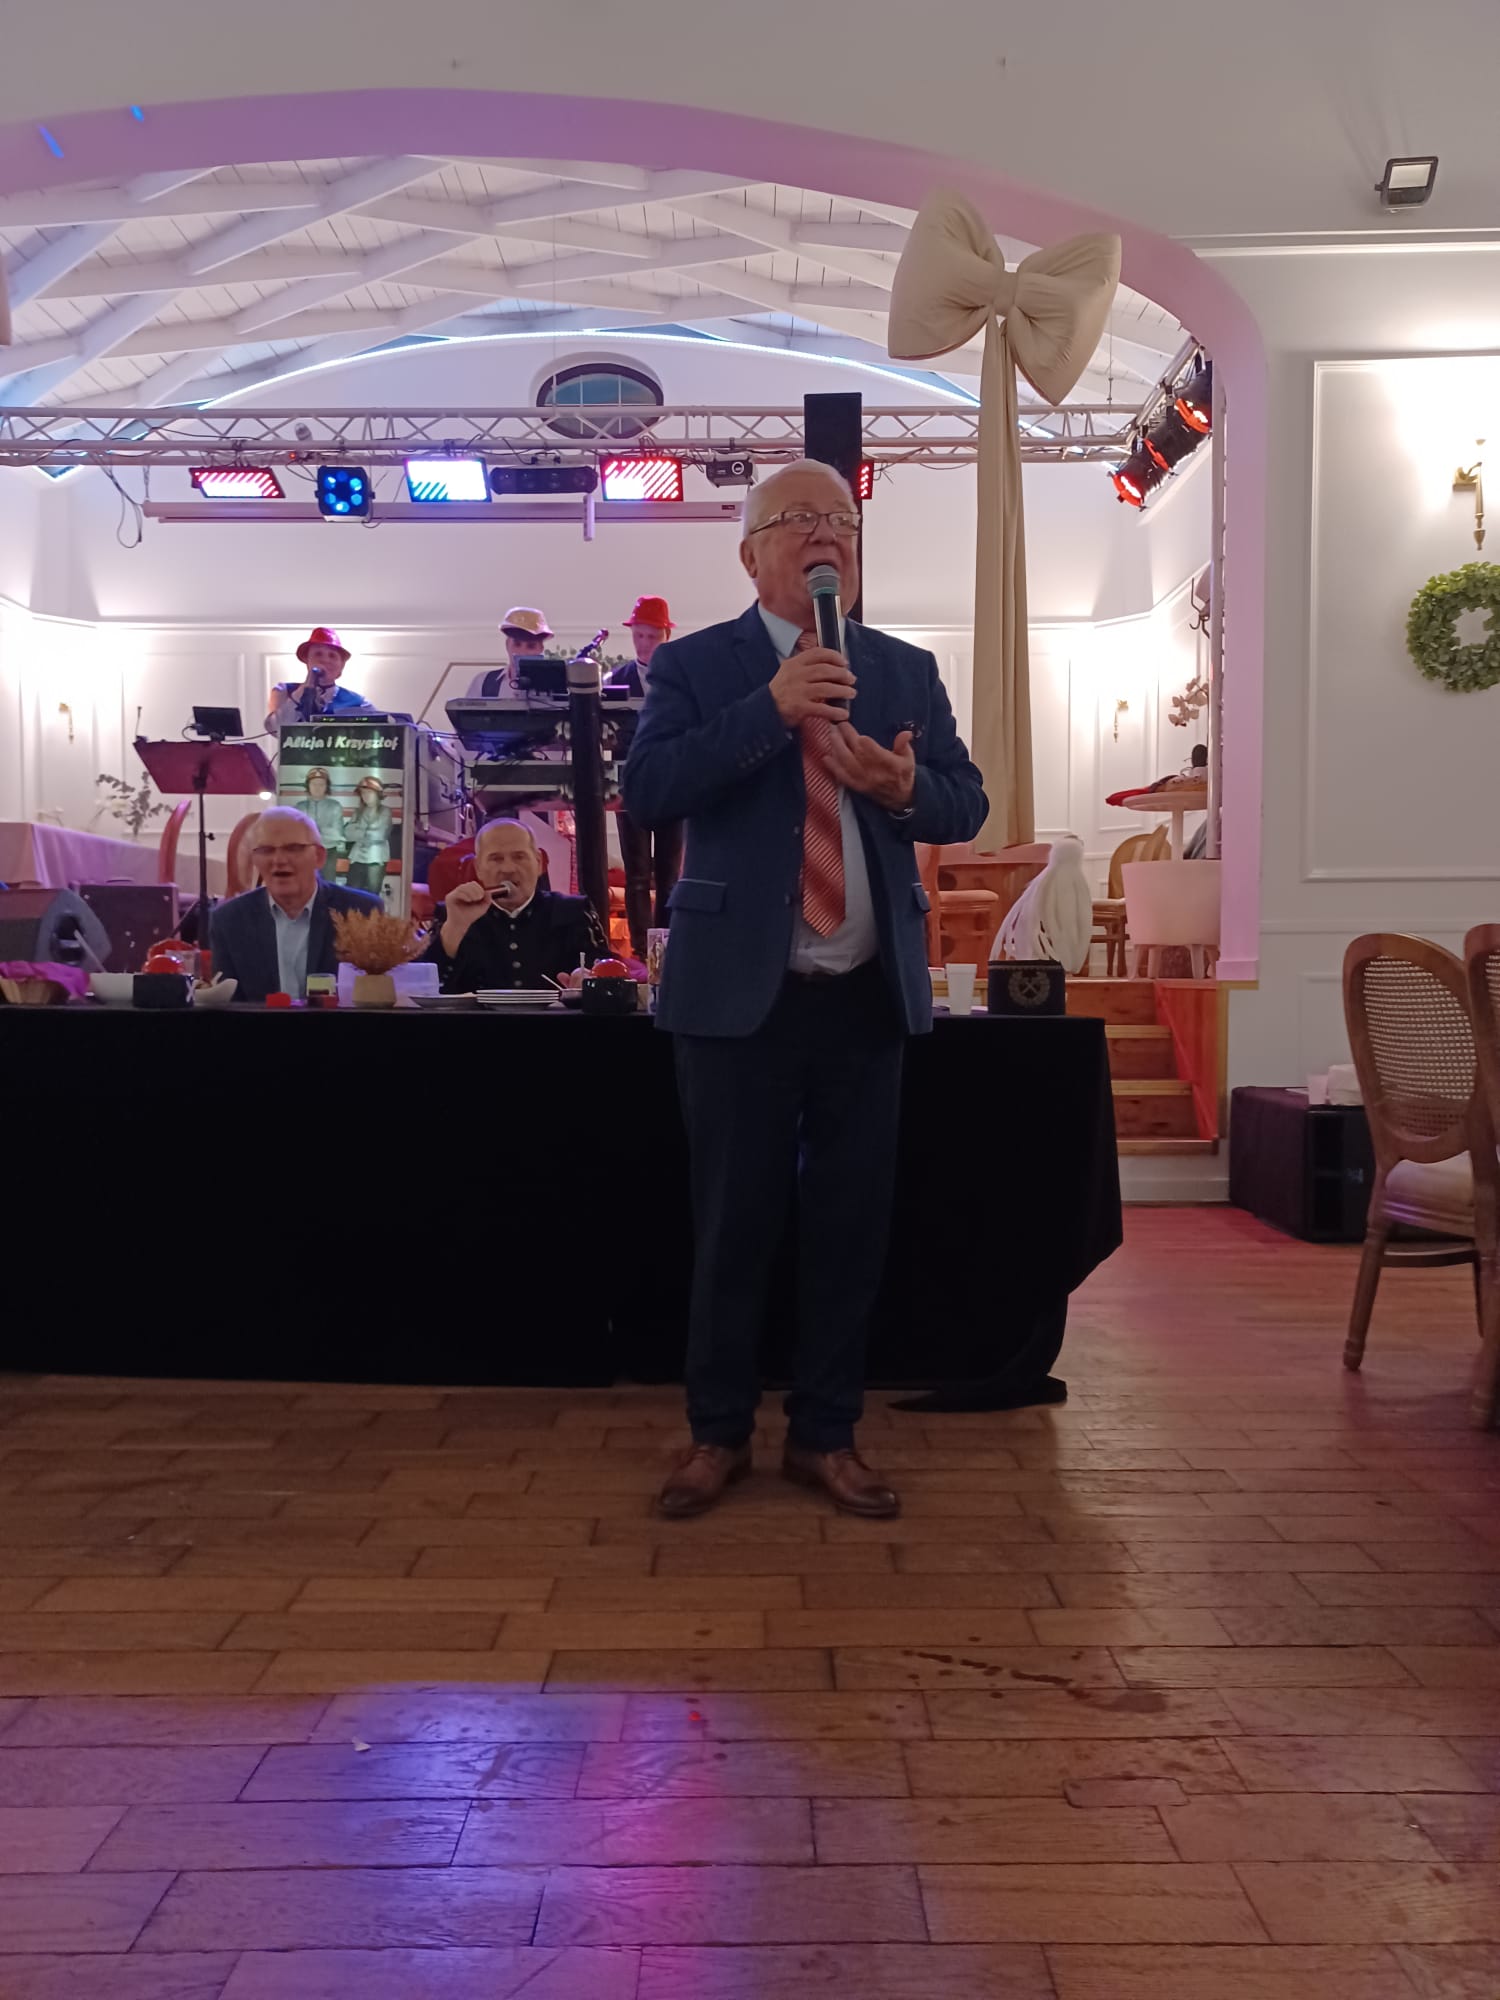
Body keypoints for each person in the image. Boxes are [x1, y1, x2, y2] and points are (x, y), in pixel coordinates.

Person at [624, 458, 987, 1521]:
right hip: (739, 996)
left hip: (866, 994)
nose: (829, 534)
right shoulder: (697, 665)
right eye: (801, 519)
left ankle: (826, 1435)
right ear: (751, 554)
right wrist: (769, 709)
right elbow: (648, 789)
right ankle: (717, 1432)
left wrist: (903, 786)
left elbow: (964, 802)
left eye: (845, 520)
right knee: (732, 1225)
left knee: (850, 1228)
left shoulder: (906, 668)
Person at [209, 805, 382, 1001]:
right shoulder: (229, 921)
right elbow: (227, 1007)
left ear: (319, 857)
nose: (279, 860)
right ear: (255, 859)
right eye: (266, 850)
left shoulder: (362, 912)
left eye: (293, 848)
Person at [424, 816, 607, 992]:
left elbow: (607, 971)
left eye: (519, 857)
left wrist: (588, 976)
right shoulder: (452, 913)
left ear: (538, 863)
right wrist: (454, 929)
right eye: (496, 859)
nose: (508, 869)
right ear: (478, 868)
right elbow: (423, 986)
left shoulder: (573, 911)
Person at [610, 595, 684, 958]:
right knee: (637, 873)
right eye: (638, 636)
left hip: (673, 784)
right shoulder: (616, 679)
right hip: (631, 785)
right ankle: (641, 949)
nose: (643, 644)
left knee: (669, 874)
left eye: (651, 636)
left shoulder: (681, 678)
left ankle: (665, 945)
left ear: (666, 635)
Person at [266, 627, 373, 730]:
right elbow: (276, 728)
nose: (325, 660)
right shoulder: (283, 690)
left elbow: (381, 728)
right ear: (307, 660)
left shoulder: (359, 701)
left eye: (332, 655)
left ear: (341, 665)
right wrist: (305, 687)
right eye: (318, 654)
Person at [469, 608, 554, 697]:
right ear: (507, 645)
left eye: (531, 646)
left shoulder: (555, 685)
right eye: (517, 644)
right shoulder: (483, 682)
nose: (522, 652)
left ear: (541, 649)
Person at [343, 777, 393, 895]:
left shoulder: (385, 811)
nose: (366, 796)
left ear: (378, 794)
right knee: (352, 891)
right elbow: (348, 834)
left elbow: (380, 835)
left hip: (376, 858)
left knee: (373, 892)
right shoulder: (358, 812)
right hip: (357, 857)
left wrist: (359, 830)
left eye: (369, 792)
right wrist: (368, 830)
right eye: (363, 793)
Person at [301, 768, 347, 883]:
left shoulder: (335, 806)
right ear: (308, 786)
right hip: (305, 853)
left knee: (327, 884)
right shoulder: (300, 807)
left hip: (328, 852)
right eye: (314, 784)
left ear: (327, 786)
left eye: (321, 784)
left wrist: (313, 831)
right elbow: (296, 833)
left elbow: (337, 834)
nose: (317, 787)